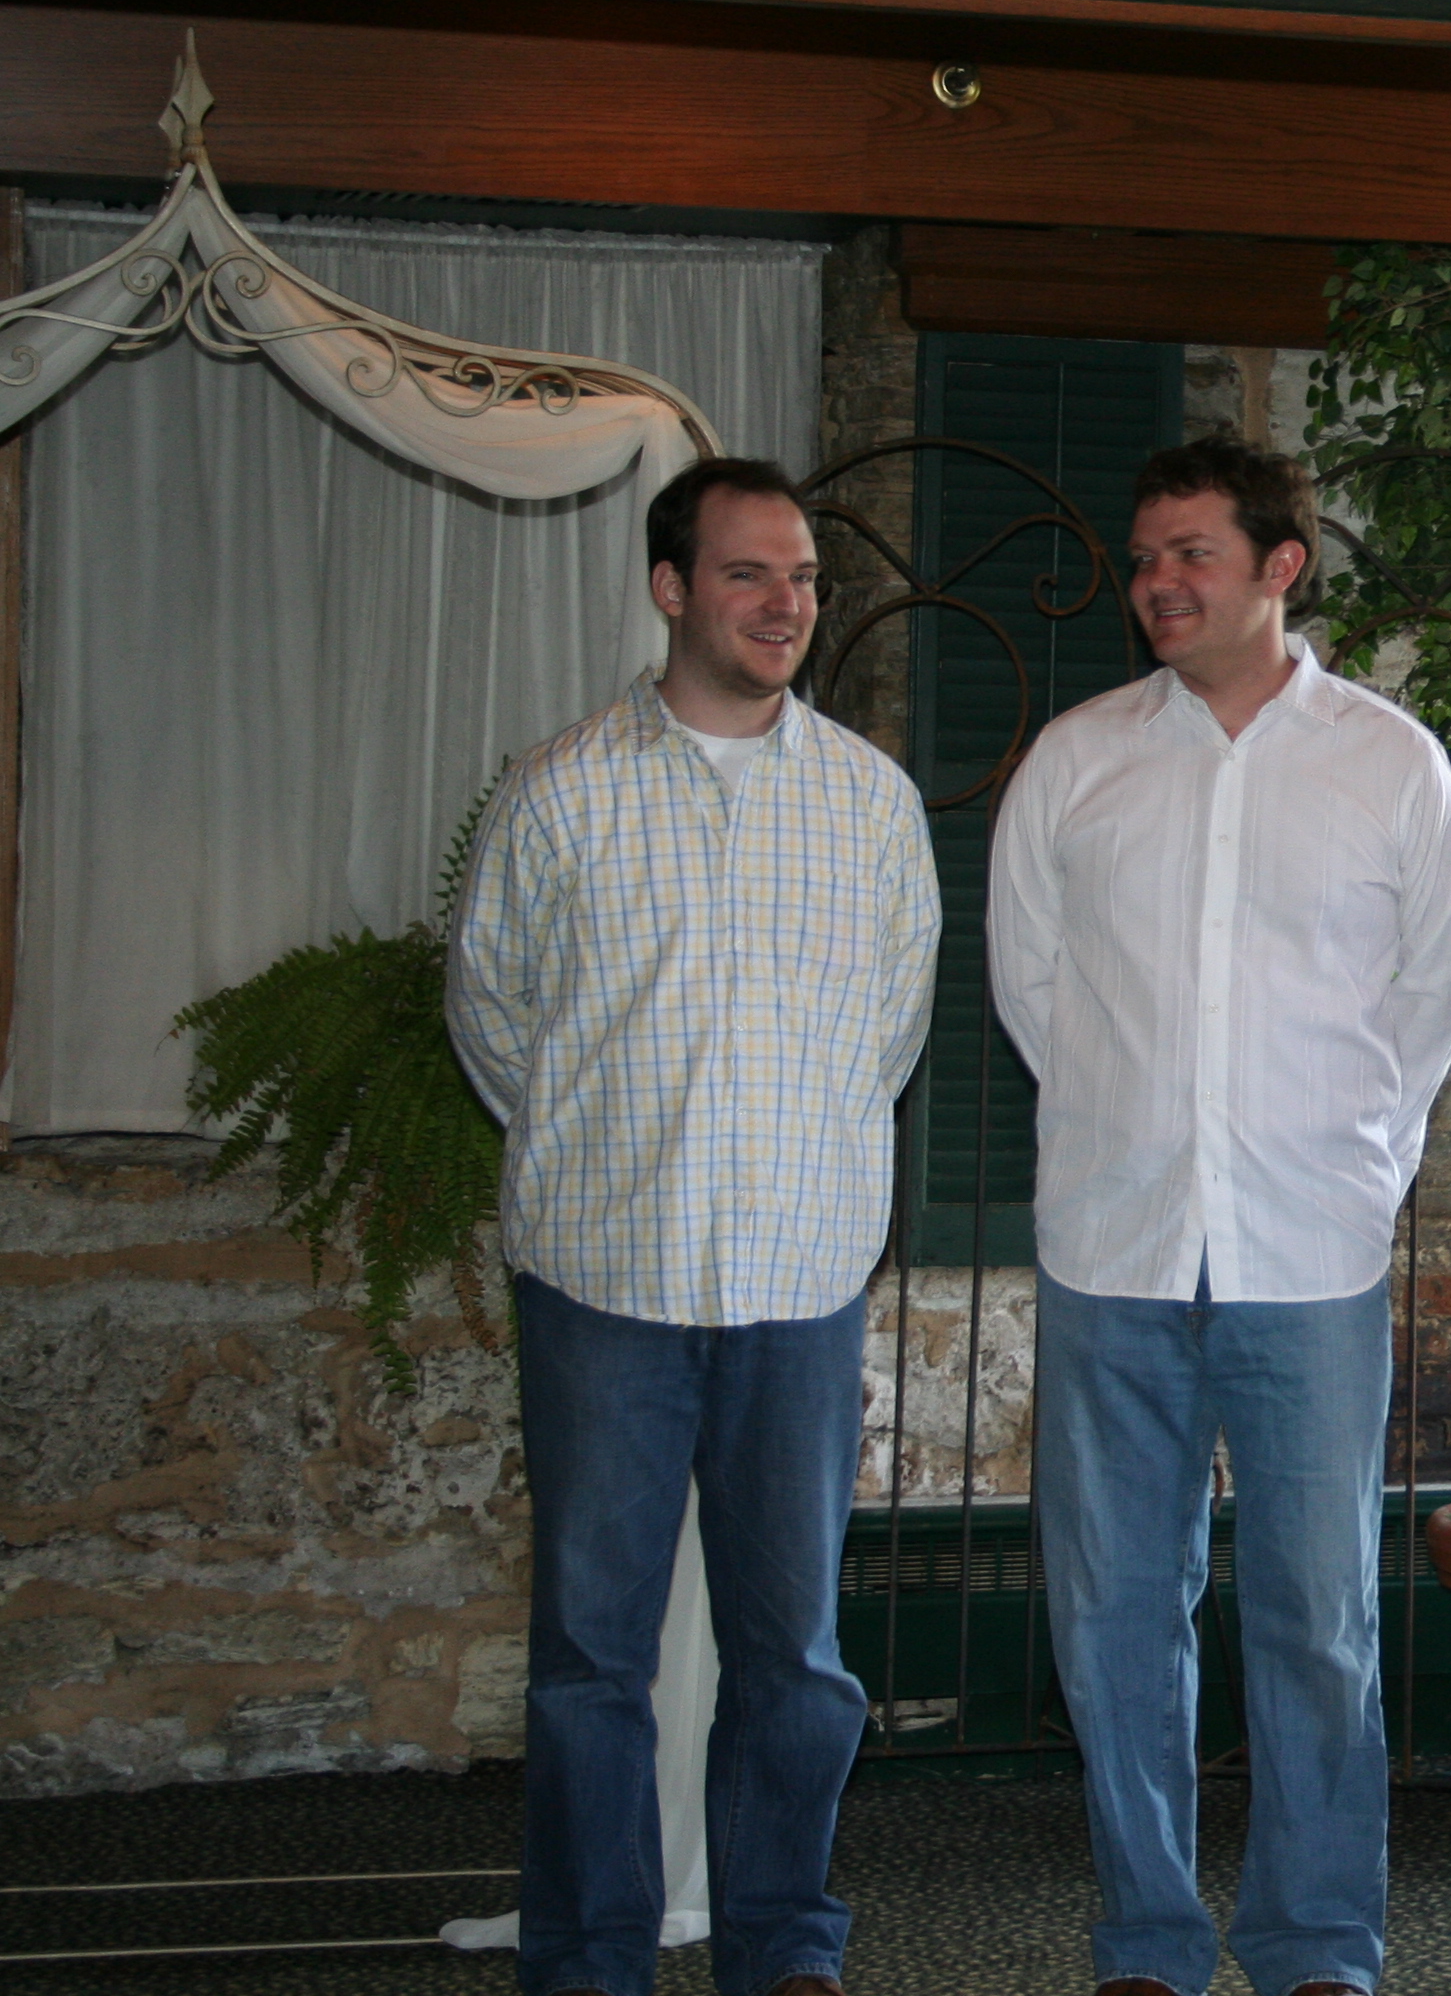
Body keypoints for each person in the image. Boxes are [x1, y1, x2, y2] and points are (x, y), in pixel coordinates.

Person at [988, 436, 1451, 1996]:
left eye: (1190, 553)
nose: (1157, 583)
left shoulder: (1391, 765)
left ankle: (1317, 1942)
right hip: (1114, 1251)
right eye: (1145, 558)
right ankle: (1146, 1938)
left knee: (1319, 1623)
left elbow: (1441, 992)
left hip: (1309, 1259)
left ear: (1281, 567)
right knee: (1115, 1620)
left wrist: (1353, 1163)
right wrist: (1128, 1132)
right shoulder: (1075, 762)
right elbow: (1032, 990)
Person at [447, 457, 940, 1996]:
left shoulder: (870, 805)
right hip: (606, 1282)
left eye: (802, 577)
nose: (786, 604)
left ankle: (782, 1946)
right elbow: (494, 1019)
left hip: (799, 1290)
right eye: (748, 573)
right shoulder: (559, 793)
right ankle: (591, 1960)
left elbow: (891, 1031)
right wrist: (613, 1151)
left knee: (794, 1659)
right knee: (591, 1661)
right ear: (671, 589)